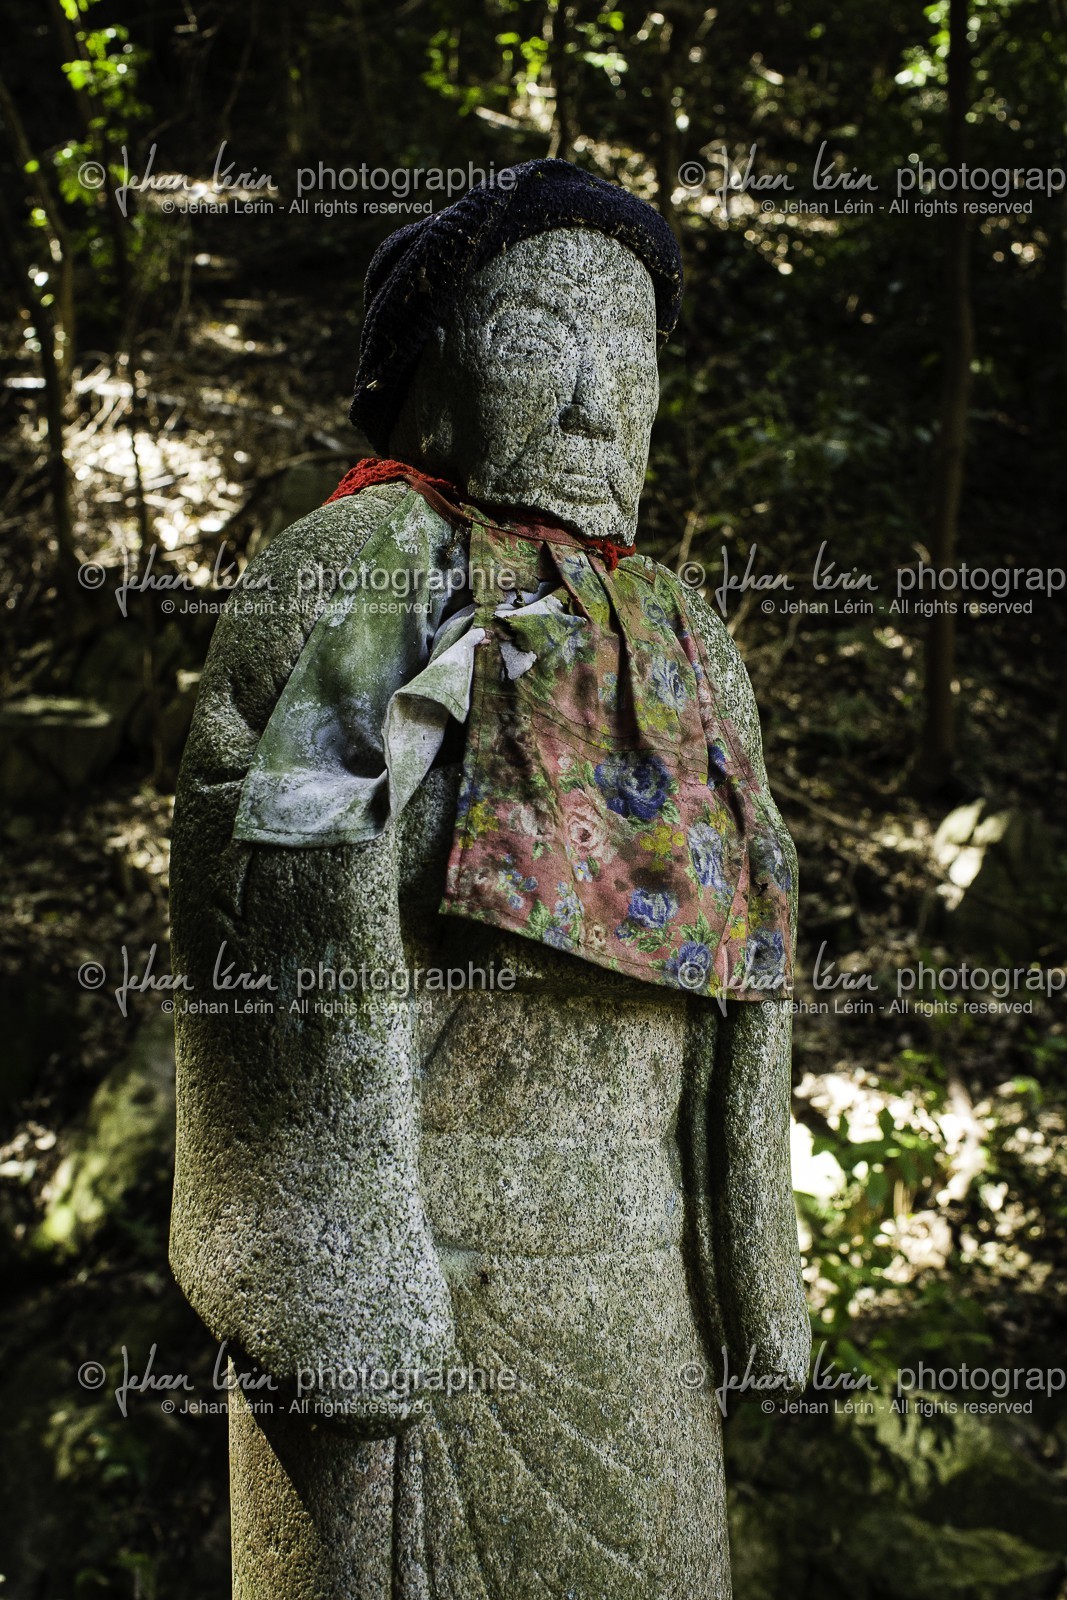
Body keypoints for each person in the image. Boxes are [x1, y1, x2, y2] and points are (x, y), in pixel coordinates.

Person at [170, 158, 809, 1600]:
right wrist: (338, 1263)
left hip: (643, 1289)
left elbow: (756, 934)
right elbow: (288, 864)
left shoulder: (685, 639)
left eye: (629, 351)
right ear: (434, 367)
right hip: (424, 1269)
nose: (595, 397)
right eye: (540, 337)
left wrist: (749, 1253)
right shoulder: (382, 569)